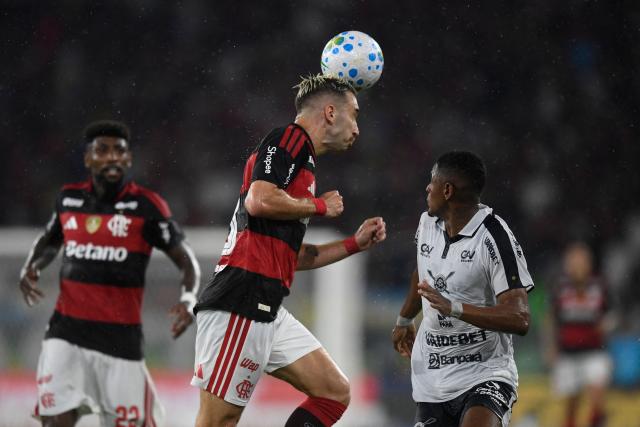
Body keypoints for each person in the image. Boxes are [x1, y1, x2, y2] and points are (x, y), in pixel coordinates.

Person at [190, 74, 386, 427]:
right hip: (242, 299)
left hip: (268, 305)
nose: (358, 127)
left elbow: (292, 257)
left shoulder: (303, 165)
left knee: (333, 392)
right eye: (354, 114)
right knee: (217, 422)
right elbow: (259, 199)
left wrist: (353, 244)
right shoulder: (289, 139)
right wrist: (319, 207)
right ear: (329, 112)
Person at [18, 120, 201, 427]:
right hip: (66, 334)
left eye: (120, 151)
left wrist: (187, 298)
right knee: (55, 420)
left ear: (129, 159)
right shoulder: (68, 199)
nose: (113, 157)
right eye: (102, 150)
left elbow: (187, 260)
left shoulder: (146, 206)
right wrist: (31, 266)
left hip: (120, 341)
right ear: (87, 158)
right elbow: (50, 240)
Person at [392, 151, 534, 427]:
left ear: (447, 190)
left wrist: (454, 308)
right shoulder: (426, 224)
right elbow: (422, 270)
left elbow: (520, 318)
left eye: (431, 181)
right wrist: (405, 319)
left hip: (485, 373)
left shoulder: (494, 237)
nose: (426, 188)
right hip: (433, 379)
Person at [546, 242, 613, 427]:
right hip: (568, 353)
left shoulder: (600, 286)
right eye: (572, 261)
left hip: (594, 351)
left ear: (589, 263)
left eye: (580, 260)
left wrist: (607, 325)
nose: (576, 265)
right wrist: (551, 347)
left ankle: (597, 420)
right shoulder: (560, 287)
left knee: (596, 393)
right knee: (571, 403)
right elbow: (551, 319)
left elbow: (611, 314)